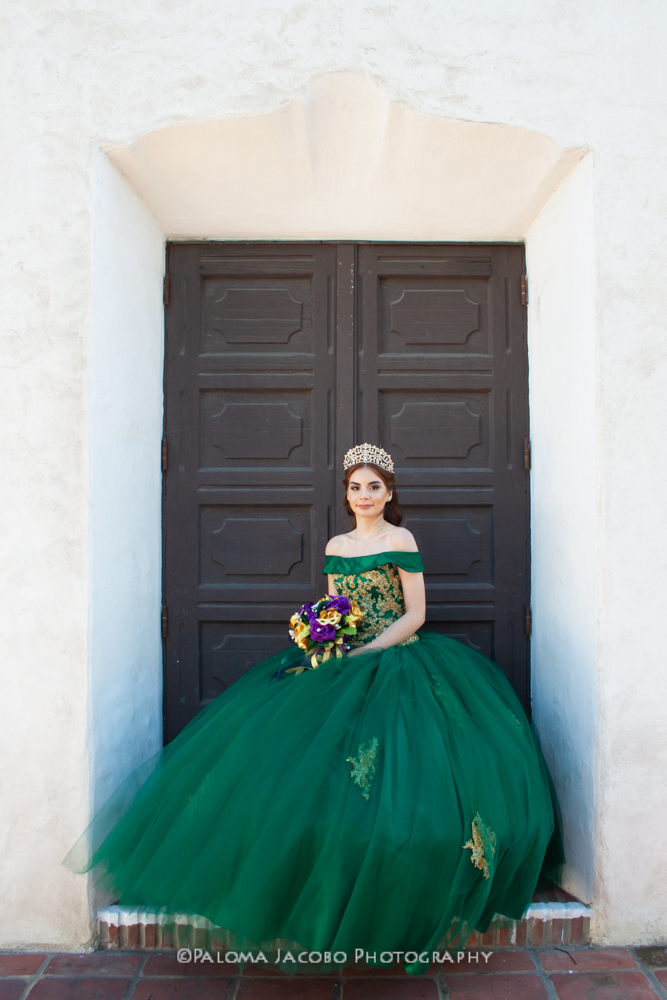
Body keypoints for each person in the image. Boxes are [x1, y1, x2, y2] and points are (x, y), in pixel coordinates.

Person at [65, 444, 562, 974]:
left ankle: (390, 887)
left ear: (389, 493)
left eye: (374, 486)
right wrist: (325, 639)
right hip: (338, 663)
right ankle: (314, 881)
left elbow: (416, 613)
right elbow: (335, 609)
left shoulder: (400, 539)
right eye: (355, 486)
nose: (364, 496)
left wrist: (367, 651)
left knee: (402, 783)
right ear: (345, 493)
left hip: (397, 663)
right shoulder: (335, 543)